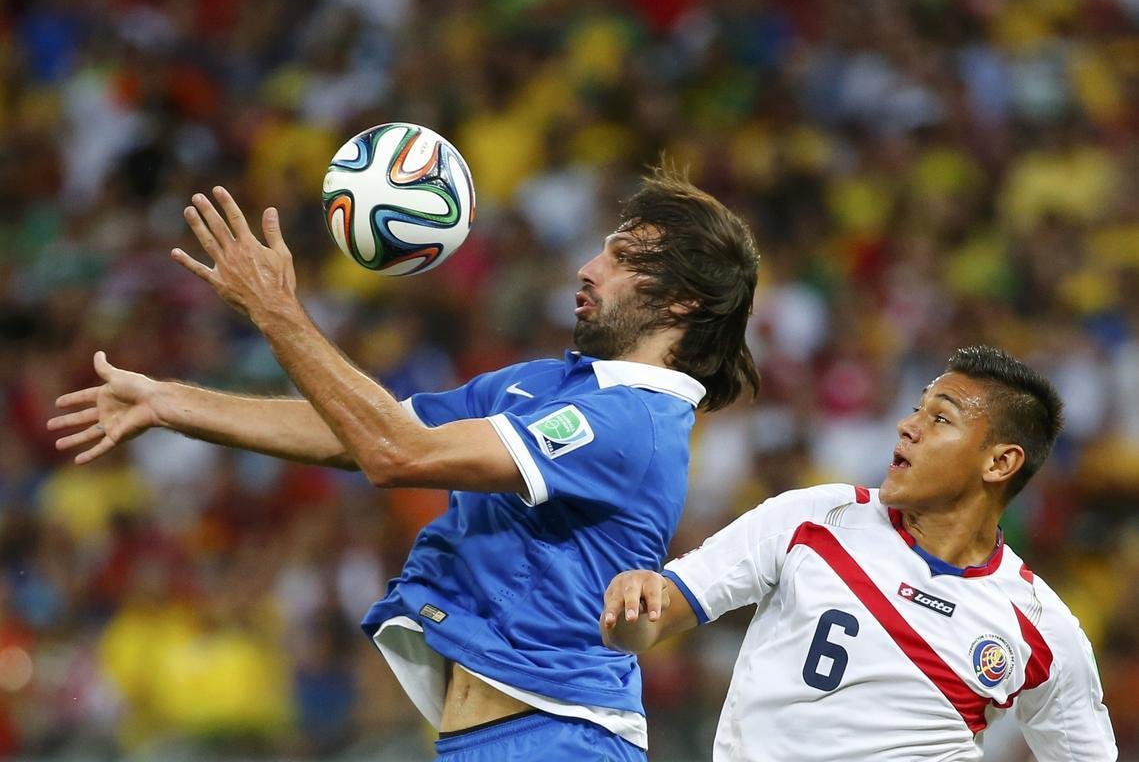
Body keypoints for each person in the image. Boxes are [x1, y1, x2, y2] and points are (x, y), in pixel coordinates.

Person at [48, 169, 761, 760]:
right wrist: (172, 404)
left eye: (623, 256)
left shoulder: (634, 422)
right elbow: (360, 432)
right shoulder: (545, 385)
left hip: (562, 735)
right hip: (490, 737)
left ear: (680, 299)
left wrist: (277, 314)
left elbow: (396, 454)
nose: (588, 266)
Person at [600, 345, 1117, 761]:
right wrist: (632, 605)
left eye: (941, 419)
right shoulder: (812, 518)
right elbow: (650, 621)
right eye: (918, 407)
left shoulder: (1041, 629)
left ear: (1001, 462)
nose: (907, 426)